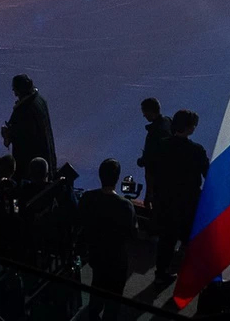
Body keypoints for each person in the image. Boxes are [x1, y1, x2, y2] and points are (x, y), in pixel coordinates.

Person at [149, 108, 210, 285]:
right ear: (189, 127)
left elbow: (153, 171)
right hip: (189, 205)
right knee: (189, 241)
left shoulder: (162, 146)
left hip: (166, 202)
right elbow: (208, 174)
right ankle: (186, 278)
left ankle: (160, 274)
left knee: (166, 241)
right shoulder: (197, 150)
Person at [79, 158, 136, 317]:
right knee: (114, 302)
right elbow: (132, 234)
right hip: (117, 260)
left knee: (96, 288)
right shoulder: (125, 206)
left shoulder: (88, 198)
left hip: (96, 255)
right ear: (117, 178)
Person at [1, 73, 56, 171]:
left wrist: (8, 134)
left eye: (15, 90)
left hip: (29, 163)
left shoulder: (23, 110)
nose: (14, 93)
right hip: (45, 157)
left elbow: (22, 136)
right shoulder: (40, 100)